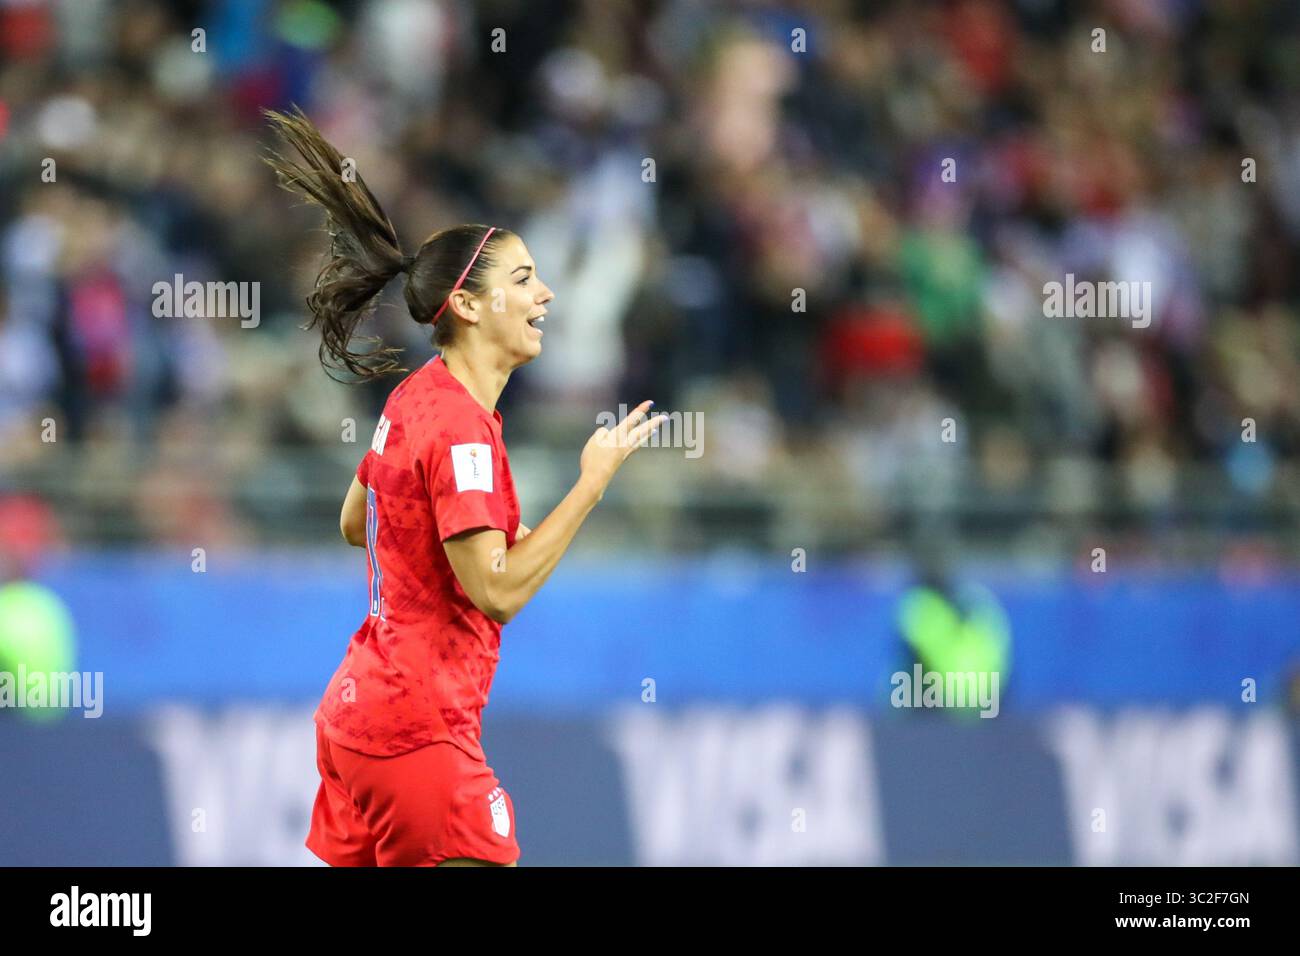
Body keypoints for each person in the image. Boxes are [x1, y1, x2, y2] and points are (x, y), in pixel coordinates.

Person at [264, 108, 666, 867]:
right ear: (470, 306)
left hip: (355, 718)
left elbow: (360, 520)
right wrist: (591, 485)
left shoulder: (417, 396)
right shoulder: (459, 428)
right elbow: (498, 593)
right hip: (418, 730)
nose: (545, 294)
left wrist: (444, 546)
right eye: (523, 279)